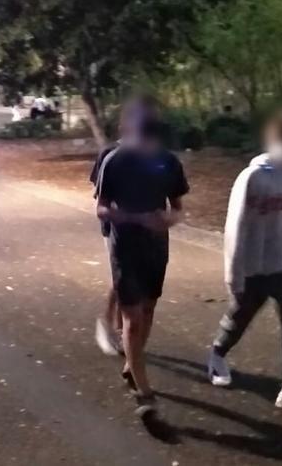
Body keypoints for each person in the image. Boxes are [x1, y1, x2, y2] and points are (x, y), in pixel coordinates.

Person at [206, 111, 282, 420]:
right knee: (240, 315)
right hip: (256, 267)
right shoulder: (253, 177)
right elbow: (237, 228)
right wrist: (234, 274)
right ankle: (217, 354)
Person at [95, 103, 188, 418]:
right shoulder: (115, 160)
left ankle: (130, 366)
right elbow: (101, 208)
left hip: (157, 248)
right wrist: (131, 217)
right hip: (125, 247)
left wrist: (166, 219)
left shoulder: (169, 162)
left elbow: (177, 207)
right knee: (133, 319)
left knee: (148, 311)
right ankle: (144, 393)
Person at [90, 97, 162, 357]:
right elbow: (99, 195)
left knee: (138, 282)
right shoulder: (110, 154)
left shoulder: (157, 155)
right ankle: (107, 321)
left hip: (148, 232)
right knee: (120, 278)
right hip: (117, 228)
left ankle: (125, 332)